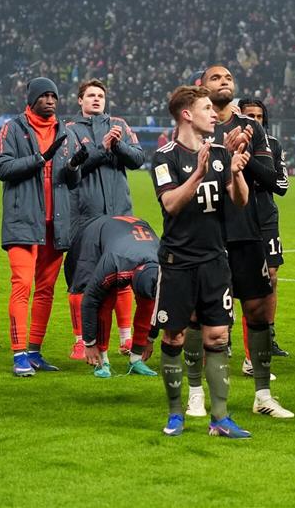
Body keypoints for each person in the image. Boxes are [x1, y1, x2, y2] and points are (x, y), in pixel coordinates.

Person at [184, 66, 293, 420]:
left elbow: (272, 178)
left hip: (247, 231)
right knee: (201, 316)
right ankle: (196, 393)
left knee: (258, 311)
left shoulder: (252, 127)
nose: (224, 82)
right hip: (207, 234)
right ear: (201, 87)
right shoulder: (195, 126)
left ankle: (263, 394)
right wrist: (224, 156)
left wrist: (240, 161)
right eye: (216, 78)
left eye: (228, 77)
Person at [150, 85, 252, 438]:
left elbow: (239, 202)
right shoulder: (164, 157)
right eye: (207, 108)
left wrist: (236, 172)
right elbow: (171, 204)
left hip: (214, 261)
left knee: (217, 336)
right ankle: (176, 413)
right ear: (186, 114)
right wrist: (197, 172)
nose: (214, 113)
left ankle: (219, 418)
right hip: (178, 263)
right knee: (175, 336)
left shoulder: (221, 153)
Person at [0, 77, 84, 376]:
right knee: (22, 285)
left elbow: (73, 181)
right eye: (44, 96)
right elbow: (3, 168)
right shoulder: (14, 128)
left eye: (54, 96)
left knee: (45, 290)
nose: (50, 101)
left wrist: (74, 167)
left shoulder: (65, 132)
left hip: (55, 223)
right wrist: (40, 158)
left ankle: (34, 352)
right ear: (32, 100)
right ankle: (19, 353)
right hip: (23, 219)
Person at [65, 78, 145, 361]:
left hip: (120, 213)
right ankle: (80, 341)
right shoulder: (71, 130)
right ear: (80, 100)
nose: (97, 99)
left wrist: (118, 146)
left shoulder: (119, 125)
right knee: (82, 277)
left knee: (122, 276)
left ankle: (125, 338)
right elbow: (70, 170)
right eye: (91, 95)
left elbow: (138, 159)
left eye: (100, 95)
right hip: (87, 215)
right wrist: (103, 149)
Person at [70, 215, 160, 378]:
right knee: (105, 301)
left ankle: (136, 359)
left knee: (149, 304)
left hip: (130, 237)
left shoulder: (166, 265)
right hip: (96, 235)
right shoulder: (114, 262)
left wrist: (150, 338)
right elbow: (90, 301)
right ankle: (103, 361)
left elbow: (161, 307)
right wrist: (89, 343)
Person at [239, 98, 291, 358]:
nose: (255, 121)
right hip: (237, 215)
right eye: (250, 116)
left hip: (266, 216)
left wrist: (249, 163)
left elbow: (281, 185)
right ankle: (222, 336)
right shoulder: (225, 142)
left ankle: (268, 336)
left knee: (271, 275)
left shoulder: (274, 145)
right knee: (228, 277)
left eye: (259, 117)